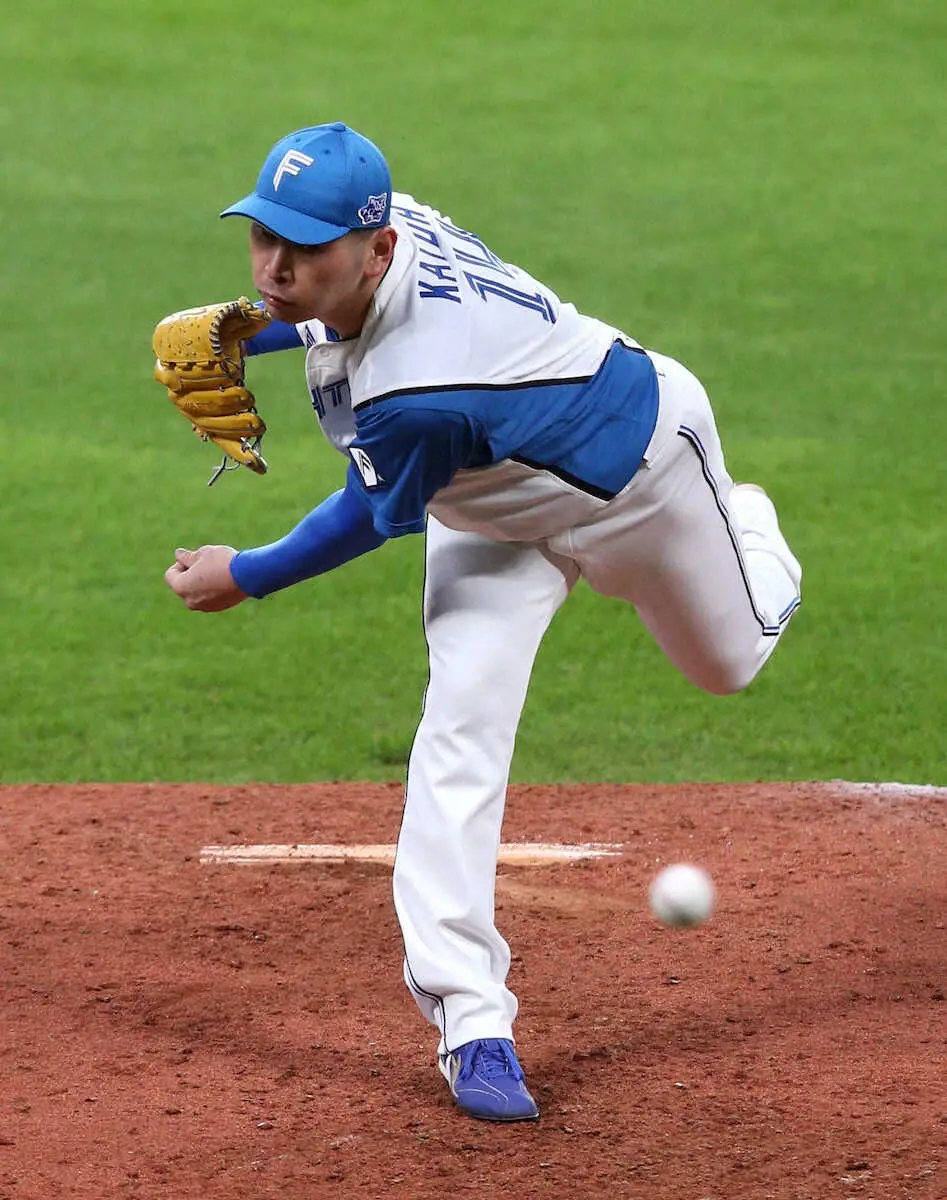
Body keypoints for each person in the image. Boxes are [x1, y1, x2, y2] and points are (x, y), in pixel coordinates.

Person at [163, 122, 802, 1123]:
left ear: (375, 247)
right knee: (458, 730)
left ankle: (743, 522)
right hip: (490, 512)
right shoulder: (386, 232)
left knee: (730, 661)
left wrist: (242, 573)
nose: (274, 268)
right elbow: (329, 312)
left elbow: (368, 515)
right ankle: (471, 1021)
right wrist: (254, 328)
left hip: (640, 480)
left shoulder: (416, 391)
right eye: (262, 236)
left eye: (305, 248)